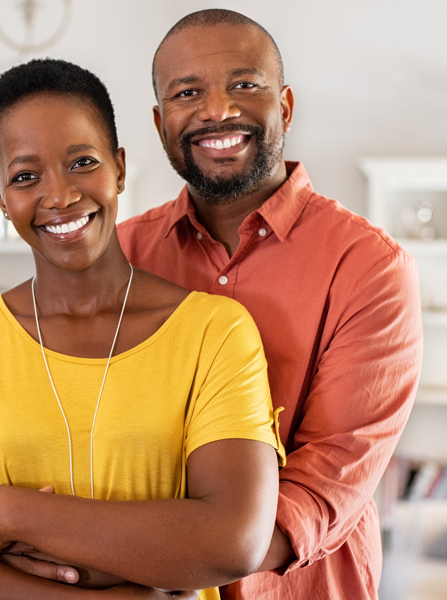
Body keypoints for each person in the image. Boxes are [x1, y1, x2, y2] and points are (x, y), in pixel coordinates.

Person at [0, 58, 285, 600]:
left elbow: (231, 542)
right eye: (24, 177)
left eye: (82, 162)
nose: (60, 195)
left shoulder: (215, 331)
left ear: (118, 167)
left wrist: (7, 512)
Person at [117, 9, 423, 600]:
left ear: (284, 106)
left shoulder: (370, 267)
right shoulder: (122, 256)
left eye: (244, 84)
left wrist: (179, 562)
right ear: (160, 125)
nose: (217, 110)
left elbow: (326, 481)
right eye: (188, 93)